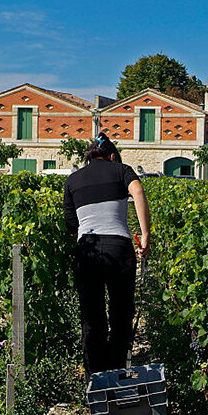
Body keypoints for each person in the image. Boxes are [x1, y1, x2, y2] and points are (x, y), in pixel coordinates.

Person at [63, 133, 150, 375]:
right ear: (112, 156)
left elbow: (72, 226)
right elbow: (139, 193)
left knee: (92, 317)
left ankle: (95, 377)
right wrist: (144, 236)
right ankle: (117, 371)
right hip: (119, 248)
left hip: (87, 251)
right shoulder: (121, 170)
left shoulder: (72, 180)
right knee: (121, 314)